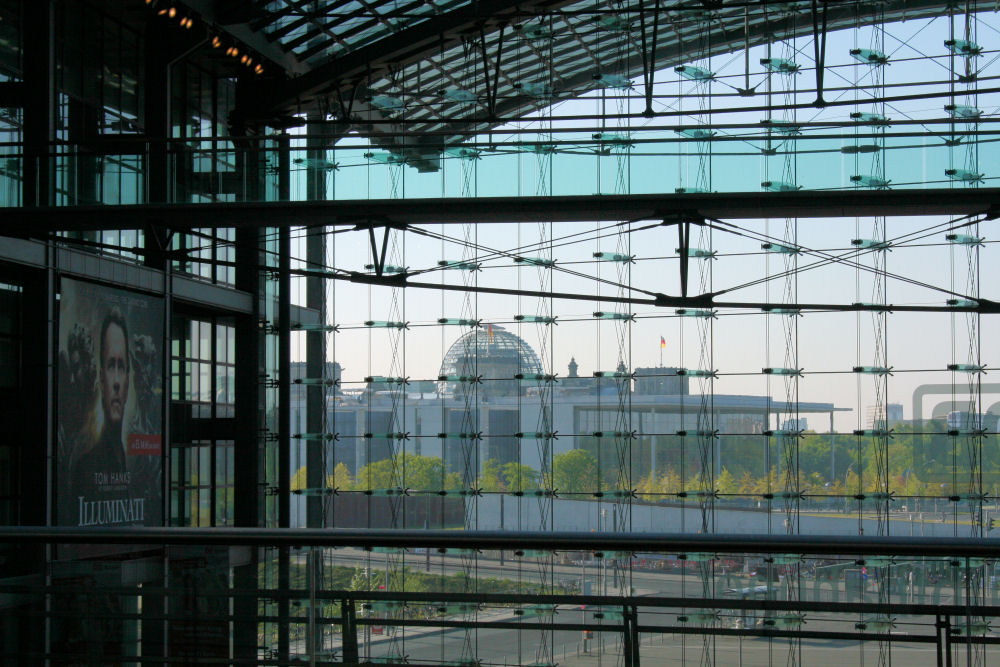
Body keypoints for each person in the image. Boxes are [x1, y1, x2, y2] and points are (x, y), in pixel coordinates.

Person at [70, 308, 138, 526]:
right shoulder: (85, 468)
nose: (116, 381)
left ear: (128, 382)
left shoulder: (135, 468)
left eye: (121, 366)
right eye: (111, 366)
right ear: (101, 379)